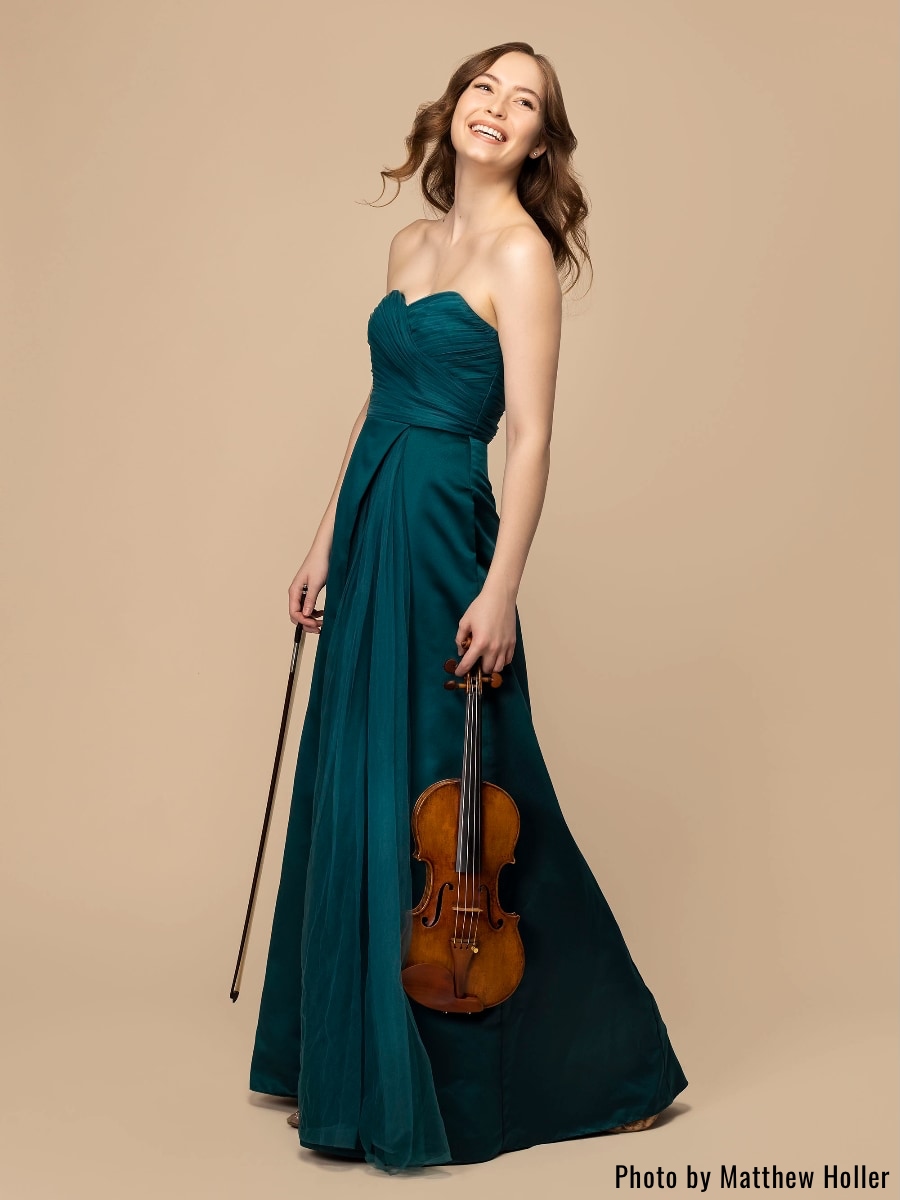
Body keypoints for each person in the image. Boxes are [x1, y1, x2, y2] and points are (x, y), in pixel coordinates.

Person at [248, 41, 688, 1173]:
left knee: (473, 786)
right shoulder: (412, 241)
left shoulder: (522, 255)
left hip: (448, 535)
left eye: (525, 100)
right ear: (453, 108)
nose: (498, 108)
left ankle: (613, 1060)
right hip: (371, 519)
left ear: (541, 141)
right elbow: (377, 402)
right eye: (486, 87)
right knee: (360, 774)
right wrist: (321, 539)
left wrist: (502, 589)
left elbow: (532, 438)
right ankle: (345, 1049)